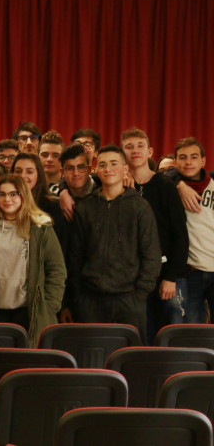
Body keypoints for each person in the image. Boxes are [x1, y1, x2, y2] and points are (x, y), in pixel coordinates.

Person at [67, 145, 161, 335]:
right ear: (96, 170)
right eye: (102, 165)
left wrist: (140, 295)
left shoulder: (140, 207)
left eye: (113, 164)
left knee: (128, 360)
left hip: (129, 301)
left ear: (125, 169)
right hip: (90, 302)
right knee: (92, 359)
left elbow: (151, 255)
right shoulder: (86, 207)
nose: (108, 169)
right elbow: (75, 256)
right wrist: (78, 296)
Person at [0, 175, 66, 347]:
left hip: (29, 311)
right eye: (2, 194)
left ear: (23, 195)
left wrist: (49, 307)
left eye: (13, 194)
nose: (7, 199)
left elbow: (57, 270)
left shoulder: (40, 227)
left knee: (27, 365)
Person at [121, 128, 189, 343]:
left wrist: (171, 277)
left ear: (150, 151)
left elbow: (180, 234)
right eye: (129, 147)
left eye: (140, 146)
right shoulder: (116, 186)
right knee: (137, 333)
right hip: (130, 275)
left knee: (167, 335)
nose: (135, 151)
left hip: (163, 274)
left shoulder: (166, 186)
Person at [170, 138, 214, 326]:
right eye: (183, 157)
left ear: (203, 161)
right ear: (175, 162)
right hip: (190, 272)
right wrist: (179, 184)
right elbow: (159, 174)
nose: (188, 162)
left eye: (194, 157)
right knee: (192, 331)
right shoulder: (169, 186)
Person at [55, 144, 101, 323]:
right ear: (62, 172)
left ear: (89, 169)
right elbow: (59, 260)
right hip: (68, 288)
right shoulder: (56, 206)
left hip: (98, 291)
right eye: (70, 168)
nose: (76, 173)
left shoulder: (104, 196)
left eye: (81, 167)